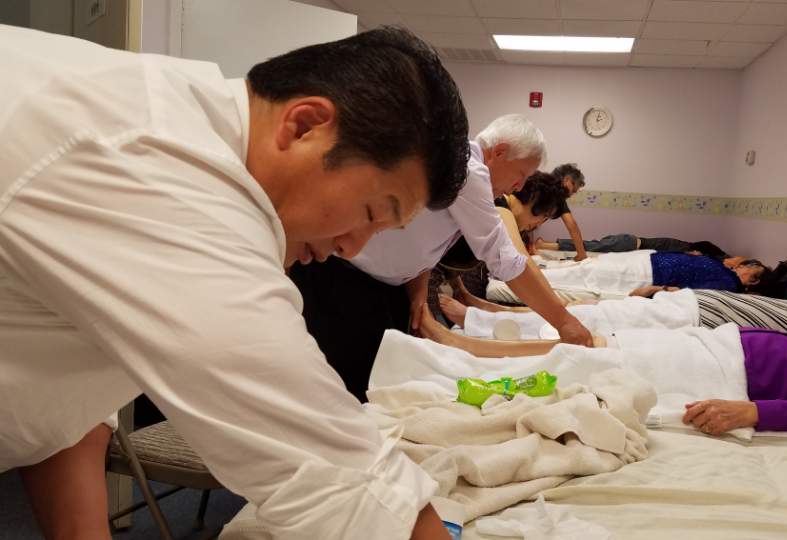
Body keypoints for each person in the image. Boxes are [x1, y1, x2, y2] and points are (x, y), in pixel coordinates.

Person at [1, 25, 469, 540]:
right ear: (304, 125)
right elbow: (346, 482)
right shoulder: (154, 166)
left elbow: (66, 390)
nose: (353, 247)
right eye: (372, 212)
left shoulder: (166, 120)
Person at [289, 115, 593, 401]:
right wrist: (565, 322)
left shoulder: (461, 171)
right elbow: (506, 261)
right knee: (347, 386)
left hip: (387, 284)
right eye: (521, 175)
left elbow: (422, 238)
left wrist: (418, 286)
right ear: (499, 152)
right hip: (346, 276)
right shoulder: (468, 171)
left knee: (378, 378)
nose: (519, 187)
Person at [413, 311, 787, 439]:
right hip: (726, 347)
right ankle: (467, 349)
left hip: (734, 374)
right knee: (599, 345)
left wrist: (758, 412)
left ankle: (456, 365)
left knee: (588, 360)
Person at [435, 284, 787, 357]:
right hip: (690, 305)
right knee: (591, 313)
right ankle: (482, 316)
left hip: (692, 323)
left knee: (591, 326)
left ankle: (477, 325)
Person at [529, 249, 769, 298]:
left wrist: (656, 290)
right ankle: (535, 267)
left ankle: (527, 278)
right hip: (648, 259)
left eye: (749, 268)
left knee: (589, 274)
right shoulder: (725, 270)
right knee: (590, 264)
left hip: (647, 274)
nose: (743, 266)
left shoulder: (729, 286)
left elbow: (690, 294)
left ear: (754, 280)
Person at [539, 234, 732, 261]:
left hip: (629, 243)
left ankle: (545, 245)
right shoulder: (680, 247)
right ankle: (544, 245)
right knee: (591, 246)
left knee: (592, 246)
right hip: (628, 243)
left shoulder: (679, 245)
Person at [544, 163, 589, 261]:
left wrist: (581, 254)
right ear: (567, 180)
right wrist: (582, 254)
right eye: (573, 190)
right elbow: (572, 225)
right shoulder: (544, 187)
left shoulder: (558, 197)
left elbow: (572, 225)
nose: (572, 194)